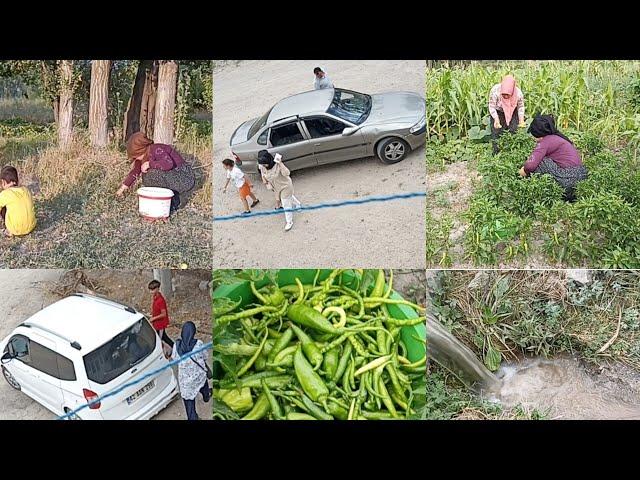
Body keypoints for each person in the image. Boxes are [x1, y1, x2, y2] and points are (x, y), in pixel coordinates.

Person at [116, 132, 196, 212]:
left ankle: (175, 199)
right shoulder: (141, 158)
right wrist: (122, 189)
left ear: (141, 150)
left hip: (183, 177)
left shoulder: (156, 149)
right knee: (147, 176)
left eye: (136, 155)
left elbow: (168, 164)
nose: (136, 158)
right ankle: (163, 199)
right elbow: (135, 172)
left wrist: (150, 164)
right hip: (172, 177)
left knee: (152, 174)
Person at [520, 114, 588, 201]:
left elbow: (530, 166)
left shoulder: (545, 141)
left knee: (540, 162)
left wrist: (522, 171)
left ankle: (538, 194)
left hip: (568, 180)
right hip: (580, 180)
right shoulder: (558, 138)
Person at [171, 321, 211, 420]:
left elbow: (174, 359)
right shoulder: (198, 344)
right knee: (203, 384)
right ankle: (206, 396)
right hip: (198, 375)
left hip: (185, 381)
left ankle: (193, 417)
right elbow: (205, 356)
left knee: (189, 402)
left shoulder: (176, 346)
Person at [258, 150, 301, 231]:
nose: (263, 166)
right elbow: (263, 174)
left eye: (264, 164)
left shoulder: (277, 164)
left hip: (285, 186)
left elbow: (287, 173)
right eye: (262, 164)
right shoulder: (262, 166)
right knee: (288, 198)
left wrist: (280, 163)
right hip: (276, 188)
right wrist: (265, 181)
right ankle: (298, 204)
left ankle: (289, 221)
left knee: (285, 204)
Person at [489, 74, 526, 154]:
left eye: (507, 94)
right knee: (496, 132)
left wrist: (521, 119)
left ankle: (512, 153)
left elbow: (521, 107)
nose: (505, 96)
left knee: (513, 130)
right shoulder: (495, 91)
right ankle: (497, 154)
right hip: (498, 111)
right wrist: (496, 119)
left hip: (513, 111)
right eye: (503, 94)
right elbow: (491, 106)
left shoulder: (518, 94)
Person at [0, 166, 36, 237]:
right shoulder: (26, 190)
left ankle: (9, 230)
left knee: (3, 206)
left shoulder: (5, 194)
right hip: (32, 226)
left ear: (3, 182)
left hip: (15, 229)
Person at [148, 280, 174, 355]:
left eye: (152, 290)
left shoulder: (160, 300)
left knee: (160, 338)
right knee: (164, 337)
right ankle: (173, 348)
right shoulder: (155, 297)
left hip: (160, 324)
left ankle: (170, 350)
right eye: (150, 290)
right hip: (157, 324)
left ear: (157, 288)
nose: (151, 292)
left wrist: (153, 318)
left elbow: (164, 314)